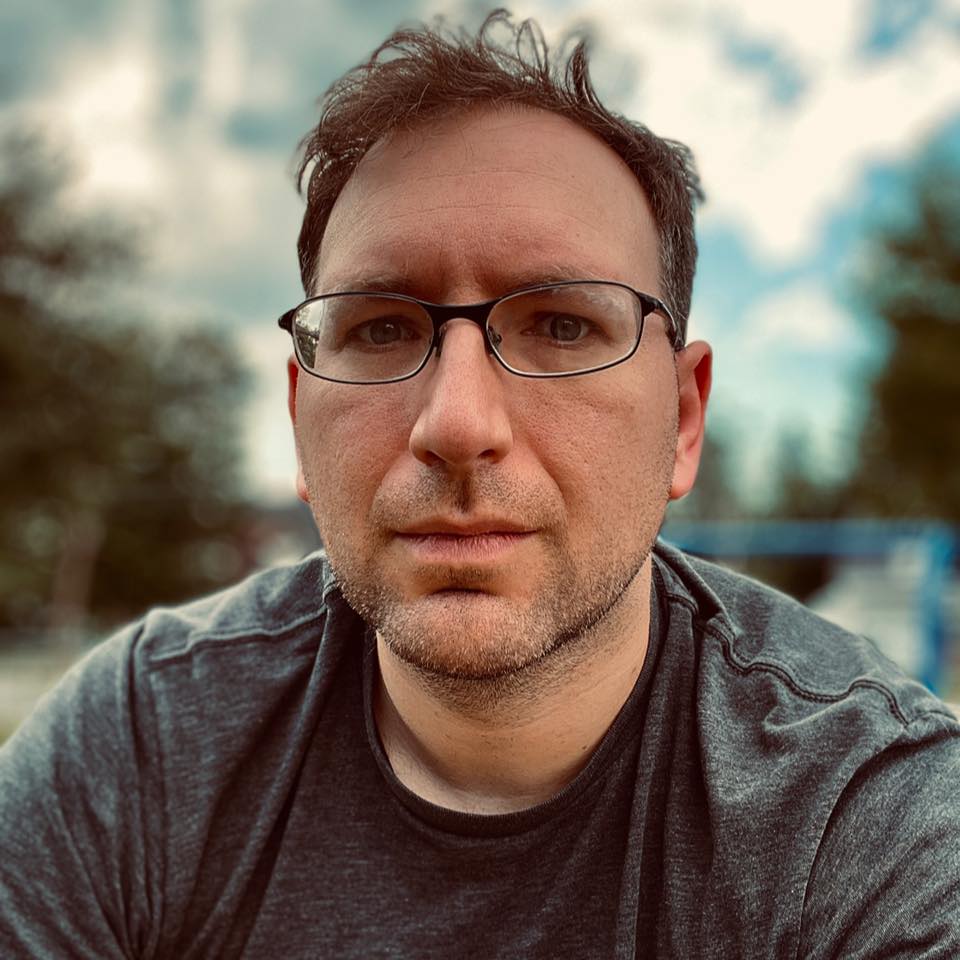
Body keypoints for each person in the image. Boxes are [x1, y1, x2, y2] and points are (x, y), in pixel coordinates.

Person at [1, 11, 958, 958]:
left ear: (682, 417)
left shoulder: (873, 820)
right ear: (298, 415)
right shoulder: (141, 744)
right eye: (380, 328)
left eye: (562, 326)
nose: (458, 425)